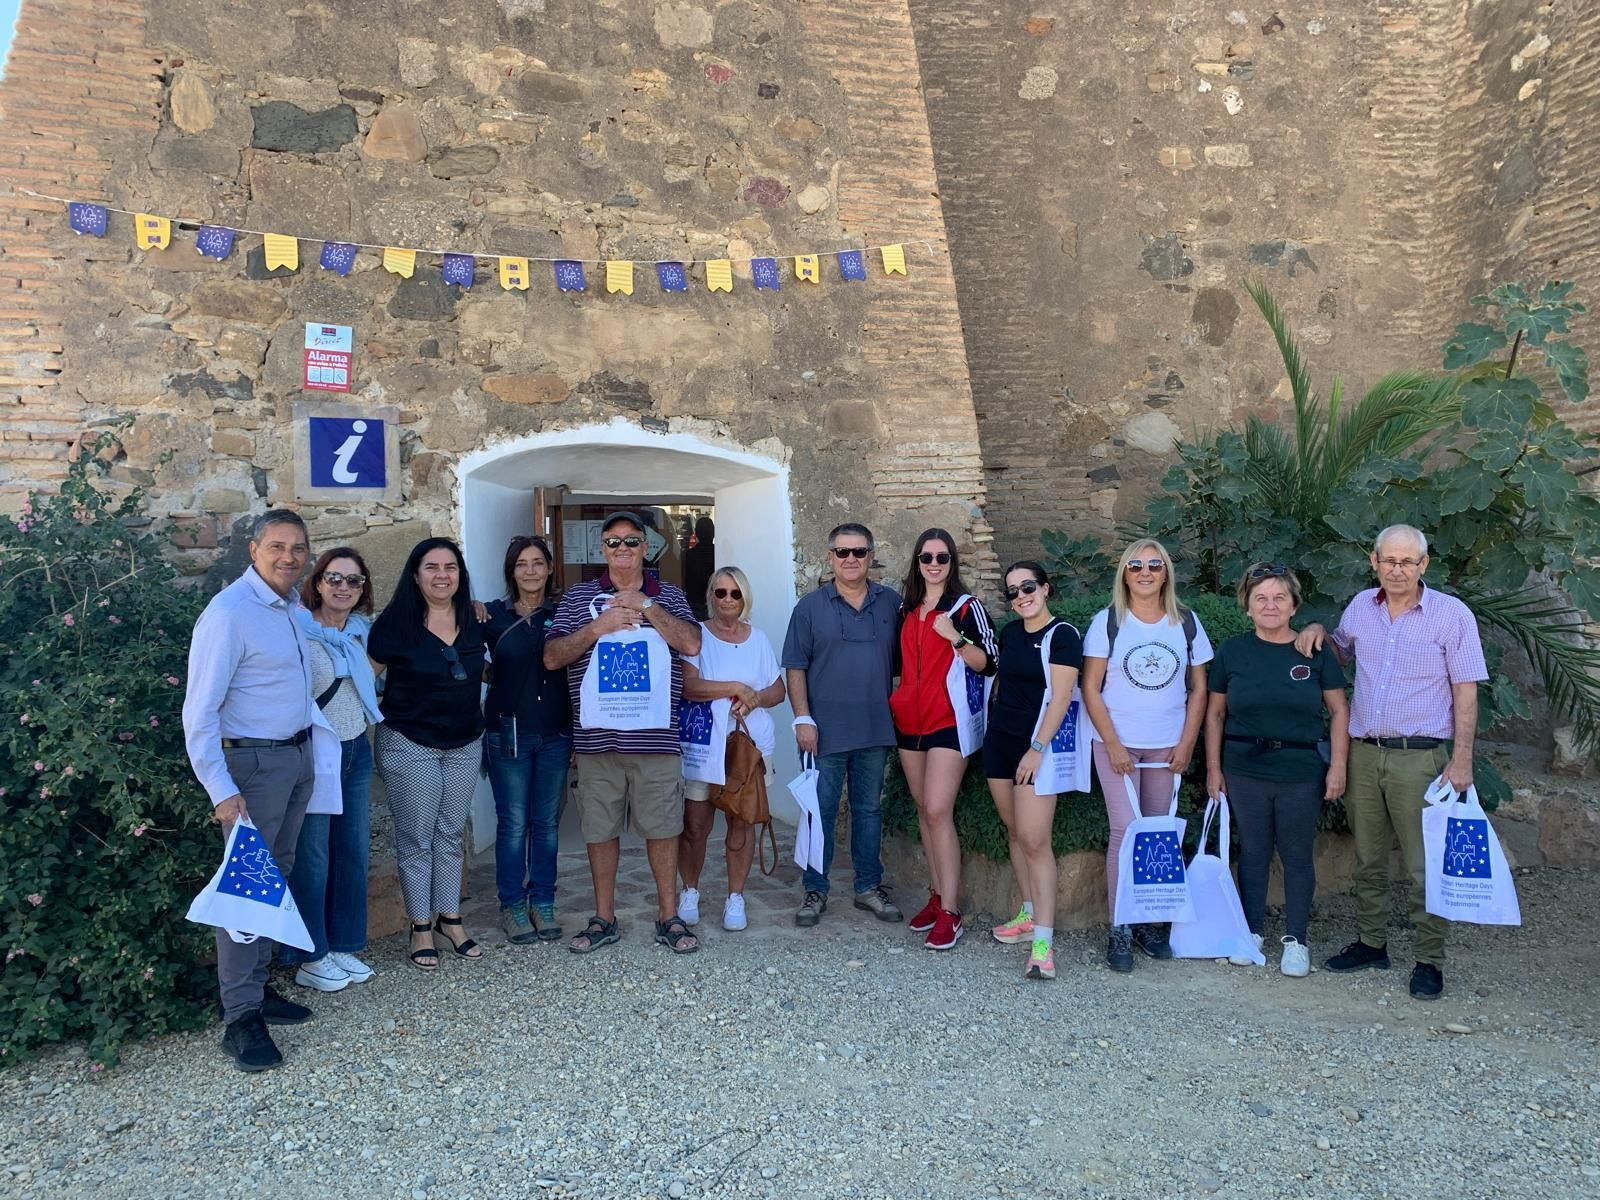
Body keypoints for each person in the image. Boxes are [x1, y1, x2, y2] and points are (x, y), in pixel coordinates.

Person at [1293, 524, 1487, 1000]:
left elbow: (1466, 691)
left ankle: (1429, 959)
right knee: (1368, 857)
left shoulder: (1451, 615)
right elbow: (1338, 652)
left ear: (1423, 565)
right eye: (1389, 561)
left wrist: (1462, 760)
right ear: (1373, 562)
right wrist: (1318, 629)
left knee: (1424, 866)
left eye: (1407, 561)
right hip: (1364, 753)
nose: (1397, 569)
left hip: (1420, 760)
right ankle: (1371, 942)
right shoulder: (1362, 606)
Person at [182, 509, 318, 1072]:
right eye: (277, 547)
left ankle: (258, 990)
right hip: (253, 767)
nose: (289, 557)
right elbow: (199, 712)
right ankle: (240, 1019)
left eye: (298, 548)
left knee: (275, 876)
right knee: (247, 889)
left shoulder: (289, 608)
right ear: (254, 550)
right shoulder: (230, 613)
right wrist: (219, 788)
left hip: (295, 756)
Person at [544, 511, 703, 955]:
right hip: (598, 742)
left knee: (663, 829)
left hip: (655, 740)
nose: (623, 550)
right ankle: (604, 916)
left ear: (646, 547)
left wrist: (646, 606)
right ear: (602, 550)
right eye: (613, 543)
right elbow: (552, 657)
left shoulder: (669, 595)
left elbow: (691, 643)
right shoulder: (578, 599)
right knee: (599, 830)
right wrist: (599, 627)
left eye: (632, 542)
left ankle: (668, 916)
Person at [1204, 563, 1349, 978]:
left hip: (1301, 769)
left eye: (1279, 597)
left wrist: (1337, 765)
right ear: (1247, 607)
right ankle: (1249, 933)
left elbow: (1339, 711)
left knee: (1297, 854)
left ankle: (1296, 940)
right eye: (1260, 598)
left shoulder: (1314, 652)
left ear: (1293, 605)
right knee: (1252, 851)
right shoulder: (1232, 651)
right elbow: (1214, 715)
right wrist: (1213, 768)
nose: (1270, 605)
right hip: (1244, 766)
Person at [1081, 537, 1213, 973]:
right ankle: (1119, 926)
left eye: (1154, 564)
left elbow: (1199, 690)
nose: (1144, 571)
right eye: (1135, 565)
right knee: (1126, 831)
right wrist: (1114, 744)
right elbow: (1090, 689)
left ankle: (1147, 923)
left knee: (1158, 834)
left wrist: (1187, 743)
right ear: (1124, 573)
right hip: (1117, 742)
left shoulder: (1187, 623)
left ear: (1165, 572)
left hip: (1166, 743)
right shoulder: (1108, 622)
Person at [369, 537, 489, 971]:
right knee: (417, 837)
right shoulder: (394, 625)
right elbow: (366, 680)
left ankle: (450, 919)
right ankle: (420, 925)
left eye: (450, 567)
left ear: (461, 574)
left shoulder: (476, 619)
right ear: (415, 575)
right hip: (410, 741)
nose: (442, 575)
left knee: (450, 833)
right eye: (432, 567)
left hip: (464, 742)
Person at [782, 523, 904, 928]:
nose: (850, 559)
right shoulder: (810, 607)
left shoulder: (891, 604)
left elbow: (907, 666)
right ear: (830, 556)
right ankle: (815, 890)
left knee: (869, 810)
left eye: (858, 551)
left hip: (876, 729)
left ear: (871, 556)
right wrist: (802, 718)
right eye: (842, 552)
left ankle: (868, 887)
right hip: (823, 732)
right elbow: (795, 666)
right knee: (821, 812)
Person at [278, 548, 384, 992]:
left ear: (363, 590)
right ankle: (310, 954)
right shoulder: (297, 628)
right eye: (334, 578)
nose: (343, 587)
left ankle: (342, 943)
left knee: (353, 851)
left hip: (356, 747)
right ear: (318, 582)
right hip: (318, 752)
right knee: (314, 856)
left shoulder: (362, 632)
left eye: (354, 580)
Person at [889, 528, 996, 951]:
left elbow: (987, 663)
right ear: (917, 563)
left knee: (937, 808)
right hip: (908, 721)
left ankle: (951, 911)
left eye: (942, 558)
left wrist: (955, 636)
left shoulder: (966, 608)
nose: (934, 565)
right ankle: (935, 896)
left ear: (953, 563)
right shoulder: (906, 608)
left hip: (949, 721)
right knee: (923, 809)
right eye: (927, 558)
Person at [983, 561, 1082, 980]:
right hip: (1000, 744)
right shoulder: (1008, 634)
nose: (1021, 595)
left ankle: (1043, 945)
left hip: (1034, 749)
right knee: (1015, 832)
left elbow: (1061, 699)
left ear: (1045, 588)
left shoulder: (1063, 635)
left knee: (1036, 841)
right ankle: (1026, 915)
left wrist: (1037, 749)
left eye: (1028, 587)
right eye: (1012, 591)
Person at [677, 566, 786, 931]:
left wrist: (752, 699)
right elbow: (690, 687)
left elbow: (777, 689)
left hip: (749, 745)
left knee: (741, 822)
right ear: (710, 595)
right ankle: (690, 889)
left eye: (735, 593)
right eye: (720, 592)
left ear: (745, 598)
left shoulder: (757, 639)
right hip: (705, 744)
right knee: (695, 825)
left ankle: (735, 896)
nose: (727, 600)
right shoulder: (697, 637)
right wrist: (735, 687)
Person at [482, 536, 572, 945]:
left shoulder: (566, 613)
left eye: (538, 563)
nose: (531, 571)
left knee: (546, 824)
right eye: (522, 564)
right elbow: (470, 659)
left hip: (556, 731)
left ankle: (544, 900)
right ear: (511, 571)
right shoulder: (491, 616)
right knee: (514, 823)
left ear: (550, 568)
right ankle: (512, 905)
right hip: (509, 733)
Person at [684, 516, 717, 620]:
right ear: (714, 533)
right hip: (715, 601)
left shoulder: (688, 555)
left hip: (693, 603)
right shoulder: (719, 554)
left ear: (696, 534)